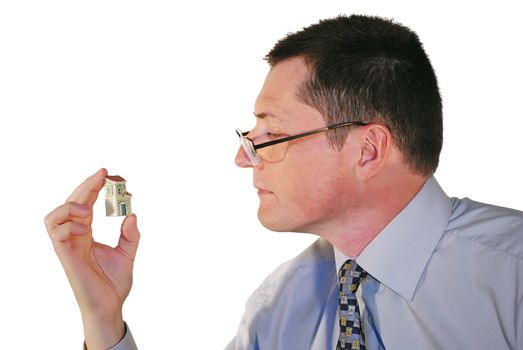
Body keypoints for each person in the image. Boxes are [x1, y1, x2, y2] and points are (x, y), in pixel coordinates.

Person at [45, 15, 523, 350]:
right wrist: (103, 321)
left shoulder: (512, 278)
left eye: (271, 134)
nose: (242, 157)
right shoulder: (282, 304)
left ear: (369, 150)